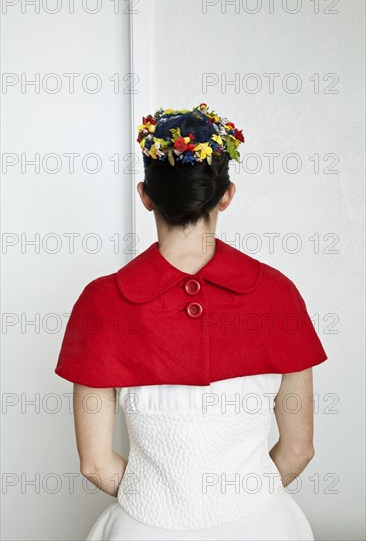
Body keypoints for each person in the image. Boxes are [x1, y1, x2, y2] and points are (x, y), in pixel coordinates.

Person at [54, 103, 328, 540]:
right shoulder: (279, 295)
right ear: (226, 195)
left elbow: (95, 464)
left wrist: (160, 505)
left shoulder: (101, 304)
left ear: (146, 195)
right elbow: (299, 449)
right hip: (266, 526)